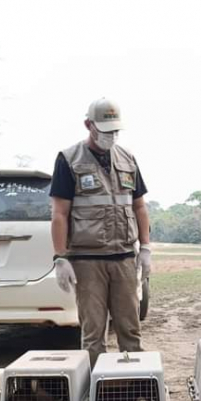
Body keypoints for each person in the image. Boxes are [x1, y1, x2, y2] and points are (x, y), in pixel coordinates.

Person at [49, 97, 151, 368]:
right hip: (87, 261)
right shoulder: (69, 160)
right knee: (93, 334)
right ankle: (97, 393)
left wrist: (146, 248)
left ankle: (135, 389)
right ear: (88, 125)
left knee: (130, 330)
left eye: (115, 131)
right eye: (105, 130)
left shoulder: (128, 158)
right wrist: (60, 258)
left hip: (125, 259)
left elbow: (139, 206)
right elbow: (59, 213)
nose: (110, 136)